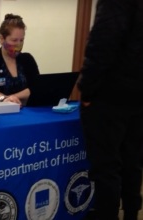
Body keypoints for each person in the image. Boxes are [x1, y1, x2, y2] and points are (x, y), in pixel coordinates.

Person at [77, 0, 143, 219]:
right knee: (132, 162)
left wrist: (87, 90)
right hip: (137, 96)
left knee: (107, 168)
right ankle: (132, 213)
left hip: (110, 95)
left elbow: (104, 40)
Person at [0, 13, 40, 106]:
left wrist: (11, 97)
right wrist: (3, 99)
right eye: (14, 40)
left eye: (21, 40)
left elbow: (36, 87)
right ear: (2, 39)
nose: (18, 44)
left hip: (26, 112)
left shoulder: (27, 60)